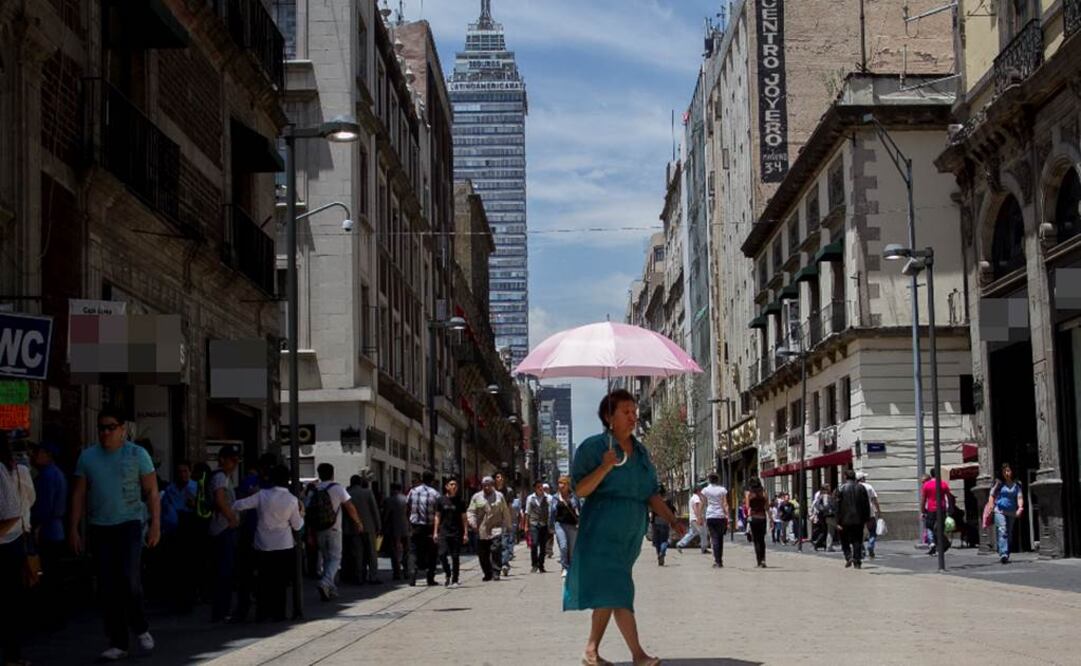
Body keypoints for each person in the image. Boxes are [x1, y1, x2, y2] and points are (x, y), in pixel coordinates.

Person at [564, 390, 684, 666]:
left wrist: (672, 519)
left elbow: (650, 494)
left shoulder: (640, 452)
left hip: (629, 536)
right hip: (601, 531)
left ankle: (592, 651)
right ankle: (636, 654)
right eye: (626, 411)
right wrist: (605, 468)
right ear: (609, 417)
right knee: (618, 587)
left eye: (634, 411)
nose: (633, 416)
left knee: (612, 590)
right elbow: (580, 490)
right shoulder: (593, 448)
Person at [69, 406, 160, 660]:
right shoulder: (87, 457)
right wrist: (74, 528)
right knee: (108, 587)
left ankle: (140, 626)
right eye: (102, 428)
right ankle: (118, 641)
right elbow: (78, 494)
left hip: (129, 523)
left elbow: (152, 492)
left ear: (122, 429)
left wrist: (155, 525)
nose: (106, 432)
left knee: (129, 580)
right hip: (99, 526)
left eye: (111, 427)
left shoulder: (137, 454)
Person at [232, 464, 303, 621]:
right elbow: (297, 525)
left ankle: (263, 612)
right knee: (281, 582)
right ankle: (279, 613)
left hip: (262, 544)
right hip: (284, 545)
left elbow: (239, 505)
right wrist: (302, 515)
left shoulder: (262, 495)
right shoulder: (292, 500)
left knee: (263, 581)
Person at [308, 463, 363, 600]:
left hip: (319, 529)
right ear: (333, 474)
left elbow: (308, 512)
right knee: (336, 558)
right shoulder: (337, 488)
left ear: (319, 474)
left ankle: (331, 590)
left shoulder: (314, 490)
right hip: (334, 528)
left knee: (327, 559)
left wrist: (309, 533)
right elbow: (349, 506)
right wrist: (358, 522)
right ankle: (325, 582)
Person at [1, 432, 33, 665]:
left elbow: (11, 513)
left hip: (6, 545)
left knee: (9, 604)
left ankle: (12, 656)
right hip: (11, 542)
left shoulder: (3, 471)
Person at [30, 441, 67, 623]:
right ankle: (56, 615)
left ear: (48, 455)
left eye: (38, 452)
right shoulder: (56, 474)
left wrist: (36, 526)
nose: (34, 455)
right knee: (54, 574)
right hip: (55, 530)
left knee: (48, 574)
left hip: (47, 531)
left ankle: (51, 616)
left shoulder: (47, 476)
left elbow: (44, 507)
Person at [208, 445, 242, 622]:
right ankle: (221, 611)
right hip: (222, 529)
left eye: (236, 460)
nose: (235, 464)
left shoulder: (225, 477)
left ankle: (222, 610)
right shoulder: (220, 477)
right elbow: (220, 500)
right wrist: (232, 518)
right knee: (224, 572)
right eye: (232, 460)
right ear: (222, 459)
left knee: (225, 571)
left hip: (223, 528)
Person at [160, 460, 198, 613]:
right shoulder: (170, 490)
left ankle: (190, 598)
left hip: (190, 526)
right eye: (180, 471)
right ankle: (178, 599)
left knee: (190, 565)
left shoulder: (195, 487)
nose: (183, 475)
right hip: (175, 529)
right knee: (177, 565)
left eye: (185, 471)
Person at [467, 475, 511, 581]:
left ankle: (496, 572)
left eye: (489, 485)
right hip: (482, 529)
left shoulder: (499, 496)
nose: (487, 487)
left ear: (492, 485)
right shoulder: (476, 497)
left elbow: (505, 511)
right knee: (483, 554)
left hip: (496, 528)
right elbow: (471, 511)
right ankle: (487, 573)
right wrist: (472, 523)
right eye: (484, 485)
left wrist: (508, 525)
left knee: (495, 549)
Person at [405, 471, 440, 586]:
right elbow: (438, 513)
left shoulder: (413, 491)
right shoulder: (435, 494)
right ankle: (430, 578)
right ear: (432, 480)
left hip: (415, 526)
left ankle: (412, 574)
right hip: (429, 527)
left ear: (421, 478)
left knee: (413, 551)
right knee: (431, 552)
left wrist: (409, 521)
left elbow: (407, 507)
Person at [345, 475, 382, 584]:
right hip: (369, 527)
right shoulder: (368, 492)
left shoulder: (347, 494)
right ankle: (373, 576)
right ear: (360, 482)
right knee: (372, 553)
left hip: (353, 528)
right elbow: (374, 510)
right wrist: (378, 525)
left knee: (358, 553)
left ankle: (359, 576)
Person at [433, 477, 468, 587]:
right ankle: (448, 573)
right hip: (443, 532)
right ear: (446, 486)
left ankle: (455, 579)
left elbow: (464, 518)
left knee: (455, 556)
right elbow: (437, 516)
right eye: (451, 484)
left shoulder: (460, 501)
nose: (454, 486)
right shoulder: (440, 500)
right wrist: (435, 532)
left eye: (455, 485)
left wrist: (465, 533)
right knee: (442, 554)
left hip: (456, 532)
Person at [987, 463, 1024, 564]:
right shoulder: (998, 483)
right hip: (1000, 510)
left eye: (1008, 471)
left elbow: (1019, 497)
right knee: (1002, 530)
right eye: (1004, 472)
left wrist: (1020, 508)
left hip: (1012, 512)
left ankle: (1006, 552)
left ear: (1012, 472)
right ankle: (1003, 554)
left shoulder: (1017, 484)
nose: (1006, 473)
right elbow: (991, 494)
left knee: (1009, 533)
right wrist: (991, 505)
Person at [836, 470, 871, 569]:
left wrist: (837, 521)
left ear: (845, 477)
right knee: (857, 541)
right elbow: (866, 504)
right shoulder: (861, 488)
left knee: (844, 540)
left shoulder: (841, 488)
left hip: (844, 520)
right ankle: (857, 561)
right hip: (858, 519)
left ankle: (848, 556)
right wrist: (866, 518)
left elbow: (837, 506)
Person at [553, 475, 581, 575]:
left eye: (563, 483)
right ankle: (564, 567)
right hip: (560, 525)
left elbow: (579, 511)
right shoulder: (555, 497)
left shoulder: (574, 497)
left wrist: (580, 523)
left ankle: (571, 568)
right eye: (559, 483)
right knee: (563, 546)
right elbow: (552, 513)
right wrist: (550, 526)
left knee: (572, 549)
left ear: (568, 485)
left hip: (572, 526)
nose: (561, 485)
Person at [380, 483, 409, 580]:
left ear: (392, 489)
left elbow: (386, 516)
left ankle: (397, 573)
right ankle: (407, 571)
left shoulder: (389, 500)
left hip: (393, 529)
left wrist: (382, 527)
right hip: (405, 528)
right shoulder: (406, 499)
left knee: (394, 552)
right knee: (406, 552)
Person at [701, 473, 729, 568]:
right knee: (720, 538)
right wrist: (727, 515)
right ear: (717, 480)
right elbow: (725, 503)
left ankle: (717, 561)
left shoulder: (705, 490)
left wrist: (699, 516)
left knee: (714, 538)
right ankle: (719, 560)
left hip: (710, 516)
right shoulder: (722, 490)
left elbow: (703, 503)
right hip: (720, 516)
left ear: (709, 480)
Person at [922, 469, 953, 556]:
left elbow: (924, 499)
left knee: (931, 528)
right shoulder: (943, 484)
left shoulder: (926, 485)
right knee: (939, 528)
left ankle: (941, 544)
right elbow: (949, 496)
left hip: (931, 510)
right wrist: (950, 508)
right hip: (941, 509)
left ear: (931, 475)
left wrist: (922, 510)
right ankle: (940, 544)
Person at [524, 480, 551, 573]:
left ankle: (541, 564)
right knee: (534, 544)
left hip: (544, 524)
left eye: (542, 487)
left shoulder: (548, 498)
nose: (541, 489)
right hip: (534, 524)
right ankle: (534, 564)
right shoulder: (530, 498)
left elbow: (551, 510)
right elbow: (527, 512)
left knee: (543, 546)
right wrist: (526, 525)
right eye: (539, 487)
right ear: (535, 488)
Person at [675, 483, 708, 554]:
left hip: (693, 519)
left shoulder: (693, 497)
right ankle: (704, 548)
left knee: (692, 533)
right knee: (703, 533)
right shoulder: (696, 498)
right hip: (696, 519)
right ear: (698, 491)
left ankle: (680, 544)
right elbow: (696, 508)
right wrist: (699, 518)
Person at [744, 477, 769, 568]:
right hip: (762, 518)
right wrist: (771, 519)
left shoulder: (749, 494)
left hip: (753, 518)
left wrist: (748, 518)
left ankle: (759, 561)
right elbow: (767, 507)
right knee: (762, 540)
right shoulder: (764, 493)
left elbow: (747, 507)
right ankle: (763, 560)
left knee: (756, 540)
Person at [494, 472, 516, 572]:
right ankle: (496, 563)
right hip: (493, 519)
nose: (500, 479)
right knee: (495, 543)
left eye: (502, 477)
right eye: (498, 477)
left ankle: (504, 564)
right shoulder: (491, 490)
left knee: (504, 541)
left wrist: (510, 521)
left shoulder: (509, 491)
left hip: (504, 519)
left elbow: (510, 506)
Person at [648, 485, 675, 566]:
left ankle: (659, 555)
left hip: (655, 522)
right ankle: (662, 552)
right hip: (665, 522)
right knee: (664, 540)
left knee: (657, 541)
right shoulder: (668, 501)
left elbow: (650, 511)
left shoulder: (654, 500)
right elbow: (672, 512)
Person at [858, 472, 881, 559]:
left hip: (858, 514)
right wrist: (879, 511)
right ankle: (870, 545)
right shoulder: (869, 486)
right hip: (870, 512)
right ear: (862, 478)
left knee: (860, 533)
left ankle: (861, 548)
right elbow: (875, 500)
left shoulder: (855, 487)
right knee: (872, 531)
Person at [811, 483, 837, 552]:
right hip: (824, 515)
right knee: (825, 531)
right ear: (826, 488)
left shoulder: (820, 495)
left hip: (822, 514)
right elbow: (825, 506)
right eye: (828, 487)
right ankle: (817, 543)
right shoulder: (825, 495)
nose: (830, 488)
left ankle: (824, 544)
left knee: (824, 530)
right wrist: (829, 510)